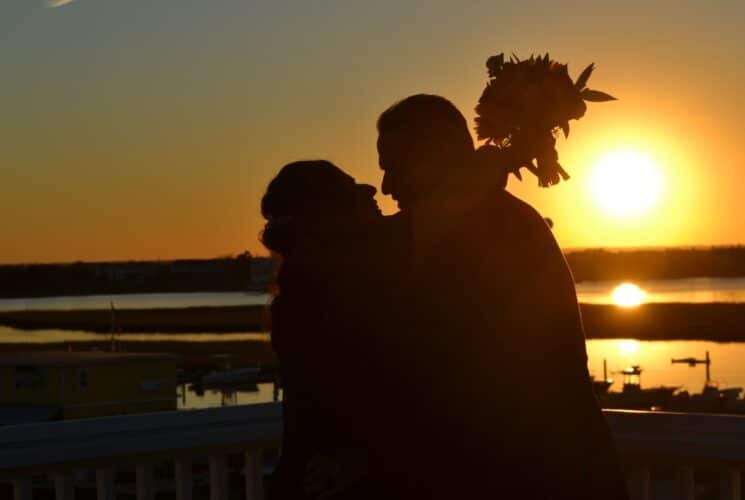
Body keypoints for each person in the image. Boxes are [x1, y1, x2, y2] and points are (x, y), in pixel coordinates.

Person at [375, 94, 629, 499]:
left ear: (436, 157)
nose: (386, 187)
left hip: (532, 474)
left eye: (395, 168)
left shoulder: (491, 231)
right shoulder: (497, 219)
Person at [261, 160, 394, 500]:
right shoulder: (323, 299)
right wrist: (358, 457)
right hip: (331, 479)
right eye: (351, 191)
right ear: (329, 218)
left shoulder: (310, 291)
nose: (371, 190)